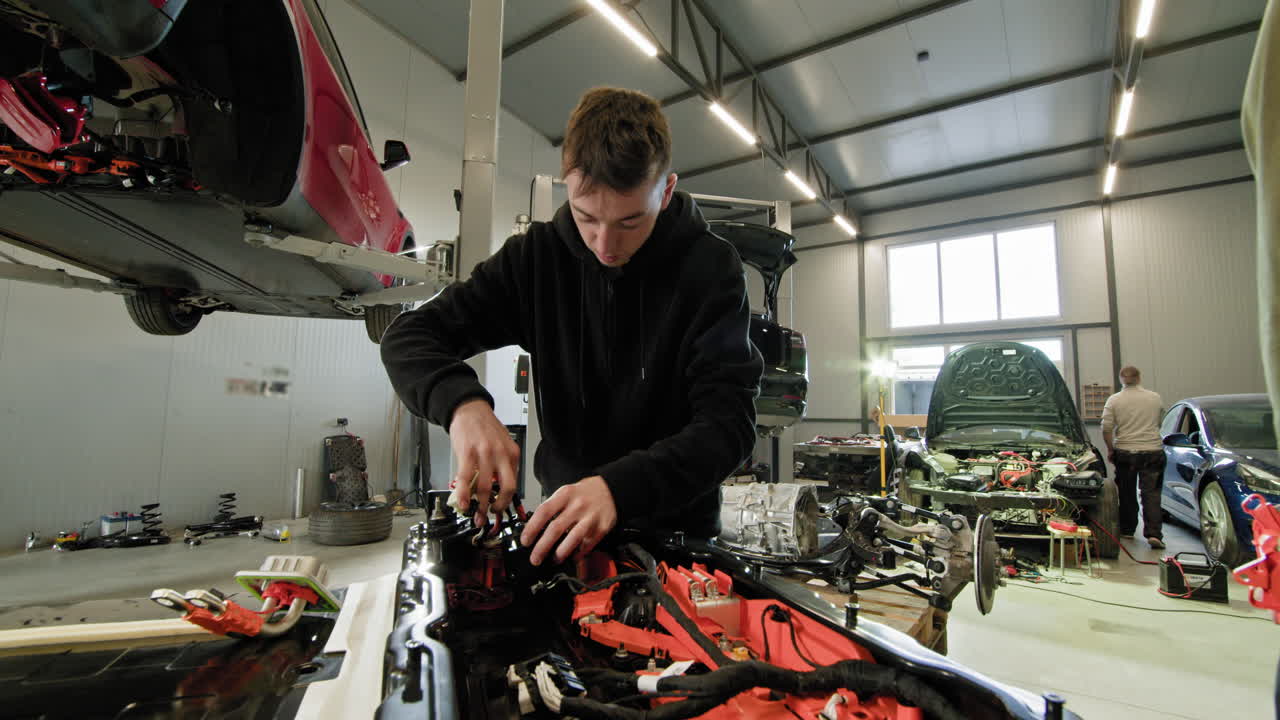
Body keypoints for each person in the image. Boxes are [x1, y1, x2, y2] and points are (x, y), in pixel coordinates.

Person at [380, 87, 763, 568]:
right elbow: (408, 336)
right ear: (567, 185)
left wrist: (617, 489)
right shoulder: (536, 260)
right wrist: (464, 406)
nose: (605, 244)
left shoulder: (710, 269)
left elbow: (729, 425)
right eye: (587, 217)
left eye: (630, 222)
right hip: (563, 532)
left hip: (679, 543)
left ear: (665, 191)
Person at [1100, 366, 1166, 549]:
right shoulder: (1154, 398)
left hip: (1125, 452)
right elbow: (1160, 423)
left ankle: (1128, 530)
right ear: (1139, 377)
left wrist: (1110, 449)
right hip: (1152, 451)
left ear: (1121, 379)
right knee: (1151, 494)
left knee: (1126, 493)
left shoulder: (1114, 400)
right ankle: (1154, 534)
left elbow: (1106, 428)